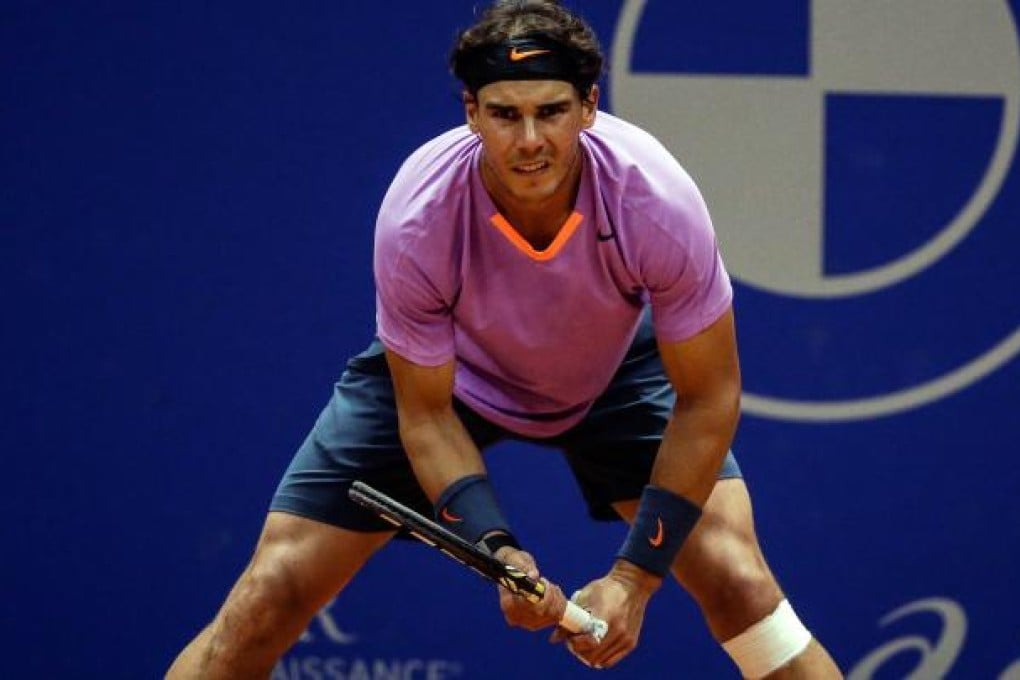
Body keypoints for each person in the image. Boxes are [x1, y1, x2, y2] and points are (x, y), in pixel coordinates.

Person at [167, 1, 842, 677]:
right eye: (504, 114)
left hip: (612, 367)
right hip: (450, 377)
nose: (529, 141)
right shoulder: (418, 219)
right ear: (471, 112)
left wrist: (634, 580)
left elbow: (709, 396)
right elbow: (426, 414)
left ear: (588, 109)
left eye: (550, 111)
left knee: (737, 581)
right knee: (269, 594)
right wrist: (498, 551)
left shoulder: (655, 201)